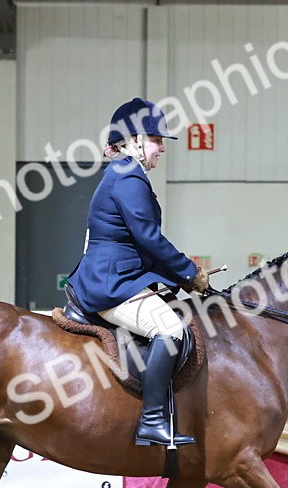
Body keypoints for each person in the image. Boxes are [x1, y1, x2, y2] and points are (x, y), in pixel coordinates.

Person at [67, 97, 210, 448]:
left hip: (120, 276)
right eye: (156, 140)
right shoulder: (128, 177)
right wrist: (190, 272)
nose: (162, 148)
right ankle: (152, 420)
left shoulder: (125, 174)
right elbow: (149, 238)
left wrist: (182, 278)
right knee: (170, 329)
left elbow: (141, 244)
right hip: (111, 284)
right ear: (134, 140)